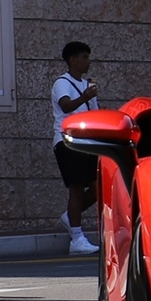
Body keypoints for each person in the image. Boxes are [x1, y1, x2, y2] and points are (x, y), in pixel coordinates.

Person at [53, 41, 100, 255]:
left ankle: (70, 218)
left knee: (98, 188)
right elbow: (65, 105)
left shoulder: (88, 85)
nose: (88, 61)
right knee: (77, 188)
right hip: (67, 141)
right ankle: (77, 238)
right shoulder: (62, 83)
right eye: (84, 57)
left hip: (86, 142)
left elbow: (94, 114)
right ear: (73, 60)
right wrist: (84, 97)